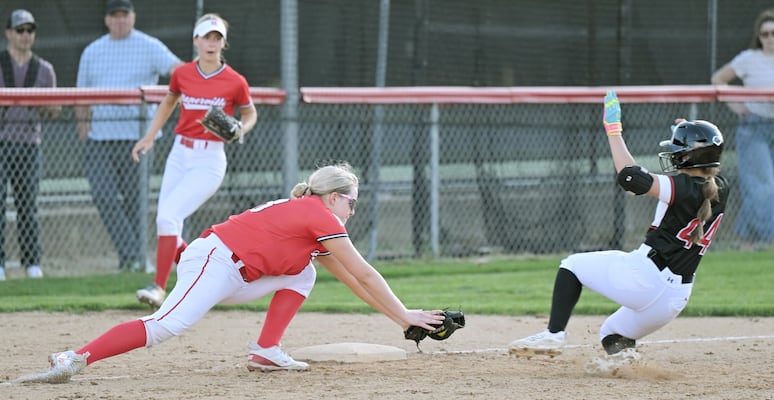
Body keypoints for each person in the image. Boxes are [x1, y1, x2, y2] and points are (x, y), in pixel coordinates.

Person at [32, 162, 445, 382]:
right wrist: (405, 313)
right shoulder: (318, 215)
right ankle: (75, 357)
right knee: (166, 325)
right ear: (334, 198)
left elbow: (353, 280)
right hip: (215, 260)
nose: (353, 210)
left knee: (303, 273)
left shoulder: (316, 223)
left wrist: (402, 319)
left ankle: (266, 351)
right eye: (352, 202)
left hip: (234, 272)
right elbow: (367, 273)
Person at [508, 92, 728, 366]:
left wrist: (614, 131)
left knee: (572, 266)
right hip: (674, 299)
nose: (672, 156)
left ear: (689, 158)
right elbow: (695, 174)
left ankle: (554, 334)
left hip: (646, 277)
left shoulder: (680, 188)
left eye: (678, 153)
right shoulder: (721, 187)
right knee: (612, 334)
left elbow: (630, 177)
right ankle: (624, 367)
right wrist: (687, 138)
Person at [130, 13, 257, 308]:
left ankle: (159, 287)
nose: (211, 43)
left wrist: (241, 127)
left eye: (217, 38)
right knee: (168, 223)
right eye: (206, 37)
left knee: (167, 217)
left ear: (223, 43)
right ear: (195, 40)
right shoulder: (183, 73)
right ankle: (203, 274)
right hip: (179, 153)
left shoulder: (235, 81)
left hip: (209, 159)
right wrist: (150, 136)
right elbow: (169, 101)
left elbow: (250, 113)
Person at [75, 0, 182, 272]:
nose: (120, 20)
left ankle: (132, 260)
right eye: (115, 15)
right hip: (100, 138)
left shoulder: (148, 45)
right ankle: (133, 255)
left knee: (137, 200)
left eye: (125, 15)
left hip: (138, 138)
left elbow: (177, 70)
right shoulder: (93, 50)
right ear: (107, 19)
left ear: (133, 17)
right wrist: (83, 128)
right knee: (103, 195)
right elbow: (80, 96)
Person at [711, 7, 774, 250]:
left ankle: (744, 241)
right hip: (753, 127)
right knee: (763, 187)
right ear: (759, 37)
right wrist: (738, 106)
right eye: (765, 34)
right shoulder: (748, 58)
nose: (770, 38)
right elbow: (718, 79)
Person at [0, 10, 59, 280]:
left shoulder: (44, 69)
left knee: (28, 205)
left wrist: (42, 105)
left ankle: (32, 262)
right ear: (9, 33)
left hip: (29, 143)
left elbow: (55, 109)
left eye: (30, 31)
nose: (25, 36)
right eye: (20, 30)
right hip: (2, 141)